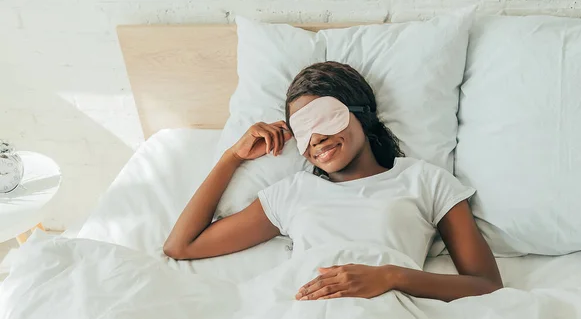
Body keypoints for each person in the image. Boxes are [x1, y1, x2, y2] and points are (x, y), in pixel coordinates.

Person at [163, 61, 503, 303]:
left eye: (324, 118)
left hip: (389, 318)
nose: (315, 139)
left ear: (361, 113)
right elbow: (181, 246)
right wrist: (231, 157)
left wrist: (391, 276)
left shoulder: (425, 180)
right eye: (302, 130)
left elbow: (487, 285)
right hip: (307, 315)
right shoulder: (293, 193)